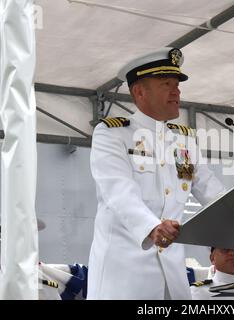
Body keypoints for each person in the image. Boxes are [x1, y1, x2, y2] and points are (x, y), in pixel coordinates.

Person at [87, 47, 225, 299]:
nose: (177, 92)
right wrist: (152, 227)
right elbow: (118, 192)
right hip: (125, 276)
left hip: (172, 277)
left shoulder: (183, 139)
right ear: (139, 92)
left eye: (177, 84)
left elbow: (213, 192)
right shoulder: (112, 133)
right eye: (166, 84)